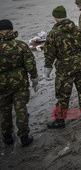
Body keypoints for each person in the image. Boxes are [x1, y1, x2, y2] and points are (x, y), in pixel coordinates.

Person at [44, 6, 81, 128]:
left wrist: (47, 69)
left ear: (55, 17)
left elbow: (50, 54)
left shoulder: (53, 34)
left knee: (63, 95)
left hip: (64, 69)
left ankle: (60, 120)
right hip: (79, 64)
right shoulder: (77, 29)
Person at [0, 19, 38, 147]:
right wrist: (34, 78)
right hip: (20, 83)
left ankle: (7, 136)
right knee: (21, 109)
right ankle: (24, 137)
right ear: (11, 30)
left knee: (4, 111)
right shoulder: (20, 45)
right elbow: (30, 63)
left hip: (1, 85)